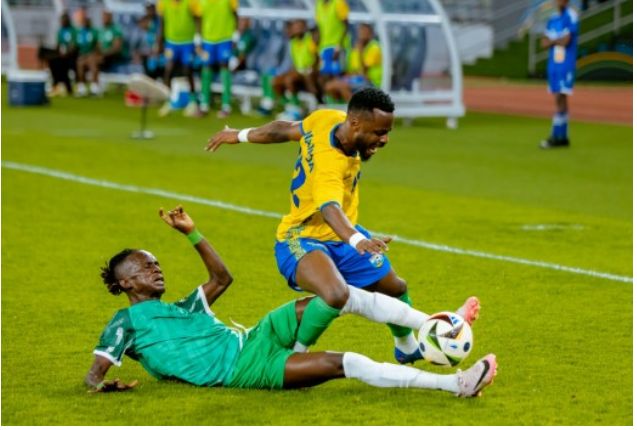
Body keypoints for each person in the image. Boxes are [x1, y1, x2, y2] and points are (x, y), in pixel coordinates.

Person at [85, 205, 497, 396]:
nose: (156, 270)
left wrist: (191, 233)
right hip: (247, 368)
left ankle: (435, 324)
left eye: (156, 264)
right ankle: (452, 384)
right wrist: (101, 387)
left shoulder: (183, 307)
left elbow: (222, 278)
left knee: (338, 294)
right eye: (144, 268)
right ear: (125, 284)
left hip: (257, 335)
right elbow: (93, 375)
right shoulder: (125, 324)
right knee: (343, 363)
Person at [205, 88, 480, 364]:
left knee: (395, 287)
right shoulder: (330, 165)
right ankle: (295, 355)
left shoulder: (327, 119)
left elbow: (286, 129)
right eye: (379, 132)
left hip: (342, 236)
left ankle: (407, 347)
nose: (383, 139)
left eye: (387, 132)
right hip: (301, 237)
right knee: (335, 294)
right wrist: (359, 241)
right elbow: (329, 210)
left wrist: (240, 135)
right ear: (356, 124)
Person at [540, 0, 578, 149]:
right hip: (554, 64)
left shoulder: (571, 15)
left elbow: (566, 41)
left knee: (560, 98)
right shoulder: (553, 19)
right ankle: (563, 136)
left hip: (565, 63)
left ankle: (556, 135)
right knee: (559, 98)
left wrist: (553, 41)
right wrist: (557, 40)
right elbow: (544, 43)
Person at [157, 0, 201, 117]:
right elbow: (162, 22)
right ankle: (169, 100)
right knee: (168, 70)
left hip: (187, 42)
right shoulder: (163, 3)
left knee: (188, 70)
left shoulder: (191, 2)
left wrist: (197, 38)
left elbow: (198, 19)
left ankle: (193, 102)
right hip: (171, 42)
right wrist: (159, 41)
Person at [197, 0, 239, 118]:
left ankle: (226, 106)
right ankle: (204, 105)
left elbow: (236, 15)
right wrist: (198, 39)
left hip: (225, 39)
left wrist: (235, 36)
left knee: (224, 68)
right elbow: (199, 19)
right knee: (206, 69)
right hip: (208, 40)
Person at [271, 19, 320, 120]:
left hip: (308, 72)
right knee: (276, 82)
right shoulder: (293, 42)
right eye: (296, 27)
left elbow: (316, 57)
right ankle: (290, 106)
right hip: (298, 71)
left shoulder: (309, 40)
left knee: (289, 80)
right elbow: (295, 62)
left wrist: (312, 68)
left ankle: (295, 110)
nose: (298, 29)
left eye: (300, 26)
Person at [325, 23, 382, 103]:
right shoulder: (356, 48)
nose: (362, 34)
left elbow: (364, 72)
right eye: (361, 31)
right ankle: (343, 109)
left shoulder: (374, 48)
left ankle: (355, 112)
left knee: (342, 86)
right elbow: (353, 70)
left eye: (365, 32)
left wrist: (360, 52)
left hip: (372, 82)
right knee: (329, 86)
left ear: (371, 34)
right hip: (357, 79)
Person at [38, 12, 77, 97]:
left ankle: (59, 85)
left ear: (68, 20)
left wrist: (65, 53)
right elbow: (58, 46)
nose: (62, 22)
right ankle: (55, 84)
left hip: (72, 57)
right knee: (50, 57)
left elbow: (73, 46)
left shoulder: (73, 31)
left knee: (58, 63)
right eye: (61, 20)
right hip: (62, 55)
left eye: (64, 20)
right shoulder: (60, 31)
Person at [315, 0, 350, 90]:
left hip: (337, 47)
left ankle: (342, 99)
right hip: (324, 47)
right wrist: (318, 47)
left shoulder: (339, 3)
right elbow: (319, 27)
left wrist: (339, 45)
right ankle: (329, 100)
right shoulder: (319, 4)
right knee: (324, 75)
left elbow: (346, 25)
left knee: (338, 74)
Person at [74, 11, 100, 97]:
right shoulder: (80, 32)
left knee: (93, 64)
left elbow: (97, 45)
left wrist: (95, 55)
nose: (86, 22)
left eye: (87, 20)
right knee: (79, 64)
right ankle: (82, 88)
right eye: (84, 21)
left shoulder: (94, 31)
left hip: (92, 54)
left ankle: (94, 88)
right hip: (82, 55)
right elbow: (76, 46)